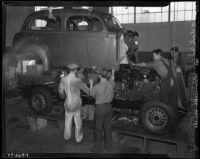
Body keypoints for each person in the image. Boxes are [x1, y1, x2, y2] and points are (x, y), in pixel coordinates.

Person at [59, 63, 89, 143]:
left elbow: (61, 93)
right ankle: (78, 138)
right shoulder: (78, 80)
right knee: (78, 122)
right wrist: (84, 82)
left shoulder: (63, 79)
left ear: (69, 70)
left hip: (68, 104)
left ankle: (67, 137)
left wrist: (66, 97)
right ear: (75, 70)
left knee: (68, 120)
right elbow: (88, 92)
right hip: (76, 105)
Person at [89, 68, 115, 153]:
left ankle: (97, 148)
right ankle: (108, 147)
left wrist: (91, 84)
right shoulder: (111, 83)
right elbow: (112, 77)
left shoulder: (97, 86)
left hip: (100, 108)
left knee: (98, 129)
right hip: (109, 107)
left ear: (99, 76)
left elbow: (91, 94)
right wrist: (113, 70)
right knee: (108, 127)